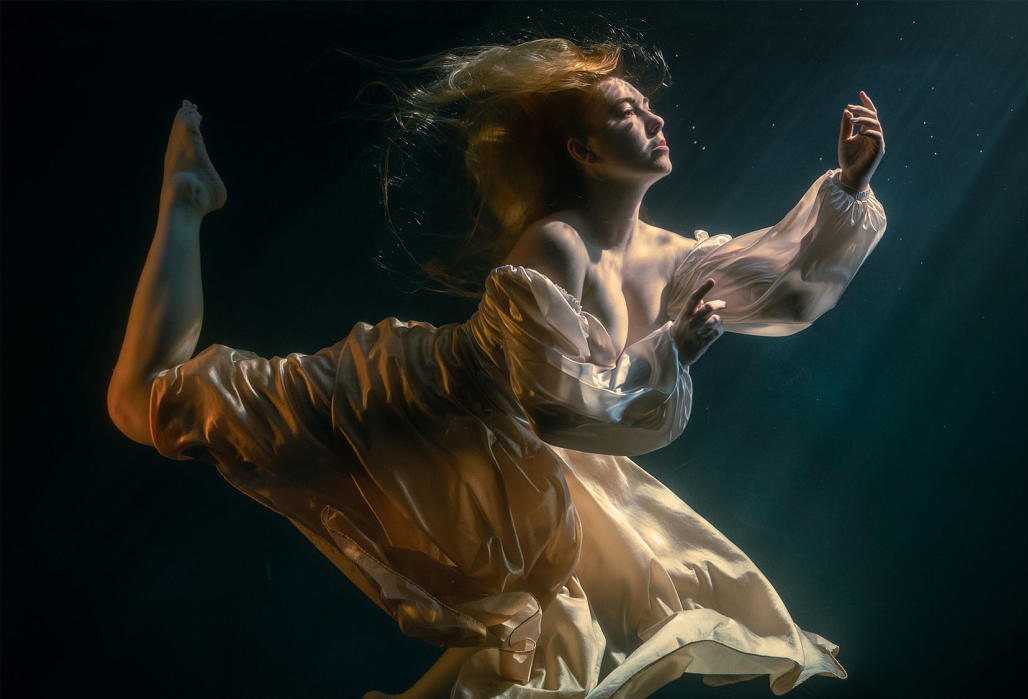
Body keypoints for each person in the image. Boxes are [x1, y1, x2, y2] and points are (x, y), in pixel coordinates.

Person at [107, 37, 887, 699]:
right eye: (627, 111)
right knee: (145, 405)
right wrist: (668, 352)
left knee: (556, 646)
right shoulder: (557, 245)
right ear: (583, 151)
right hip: (420, 409)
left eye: (647, 106)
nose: (654, 117)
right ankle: (187, 202)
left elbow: (780, 288)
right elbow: (554, 405)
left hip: (533, 470)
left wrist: (847, 185)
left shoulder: (671, 257)